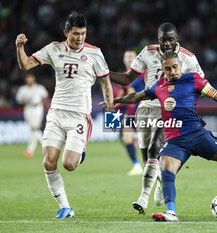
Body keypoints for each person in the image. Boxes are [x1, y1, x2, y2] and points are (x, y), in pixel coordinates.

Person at [100, 51, 217, 222]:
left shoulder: (195, 80)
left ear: (181, 65)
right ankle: (171, 213)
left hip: (197, 135)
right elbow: (138, 96)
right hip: (174, 140)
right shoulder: (160, 85)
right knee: (166, 171)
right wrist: (116, 101)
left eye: (175, 67)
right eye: (168, 69)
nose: (172, 71)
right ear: (163, 69)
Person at [15, 11, 114, 219]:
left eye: (83, 34)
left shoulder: (95, 53)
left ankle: (80, 154)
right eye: (76, 34)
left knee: (69, 164)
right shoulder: (54, 49)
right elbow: (25, 65)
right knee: (48, 161)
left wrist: (111, 105)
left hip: (79, 115)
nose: (80, 38)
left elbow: (105, 82)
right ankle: (65, 207)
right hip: (56, 113)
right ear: (66, 32)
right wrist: (19, 47)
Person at [109, 22, 205, 214]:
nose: (167, 43)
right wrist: (103, 74)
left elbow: (201, 84)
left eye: (171, 39)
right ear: (158, 38)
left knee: (154, 148)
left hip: (168, 110)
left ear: (177, 38)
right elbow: (128, 79)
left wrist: (184, 105)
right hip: (145, 108)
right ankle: (163, 181)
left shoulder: (188, 58)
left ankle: (143, 198)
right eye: (163, 40)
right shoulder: (147, 52)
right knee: (147, 158)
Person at [119, 50, 144, 176]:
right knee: (126, 138)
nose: (129, 59)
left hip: (144, 112)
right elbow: (124, 94)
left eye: (131, 57)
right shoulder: (124, 76)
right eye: (127, 56)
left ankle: (155, 165)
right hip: (129, 114)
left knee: (149, 142)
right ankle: (136, 165)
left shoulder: (143, 73)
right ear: (123, 59)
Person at [16, 73, 48, 158]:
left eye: (31, 79)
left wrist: (42, 103)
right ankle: (38, 149)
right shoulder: (23, 89)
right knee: (34, 129)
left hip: (37, 108)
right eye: (28, 79)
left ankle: (34, 150)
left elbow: (45, 96)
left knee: (35, 128)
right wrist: (25, 101)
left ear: (33, 79)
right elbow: (19, 100)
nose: (29, 80)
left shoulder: (39, 88)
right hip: (28, 108)